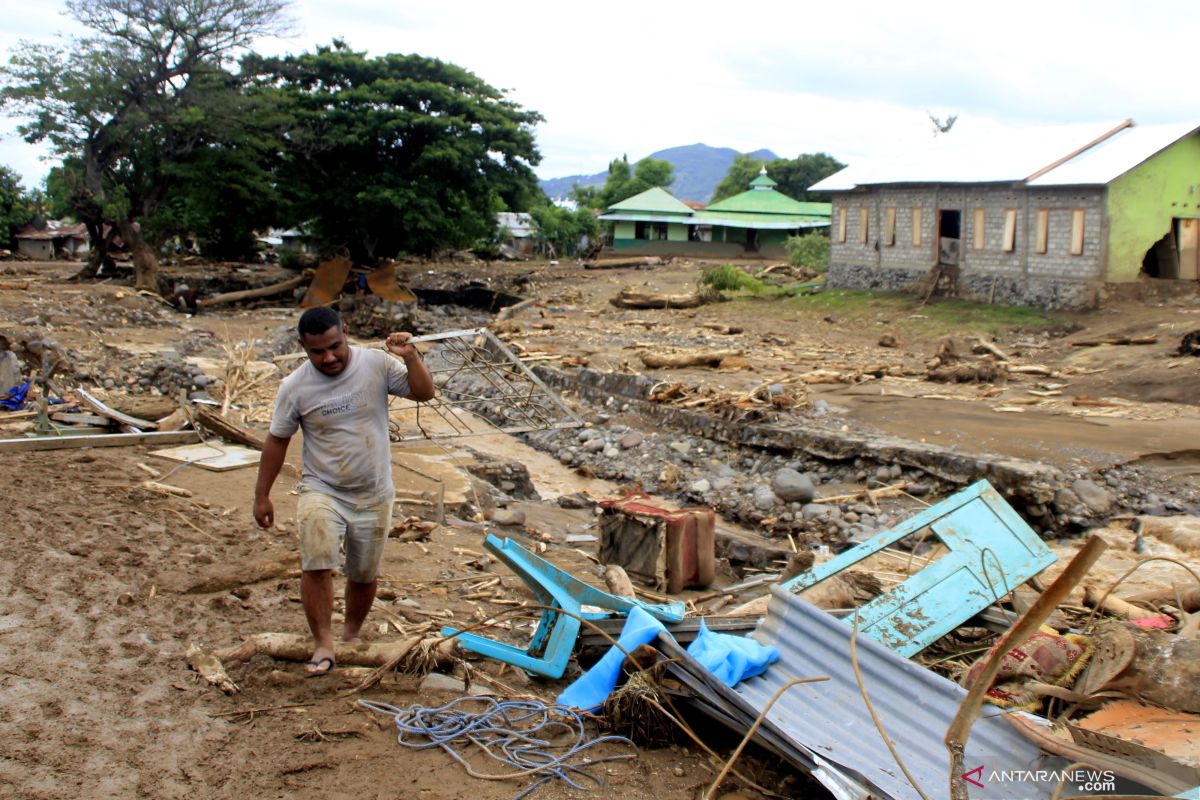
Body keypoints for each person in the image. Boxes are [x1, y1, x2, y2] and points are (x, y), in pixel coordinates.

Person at [253, 307, 435, 675]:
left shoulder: (376, 364)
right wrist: (262, 495)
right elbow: (277, 441)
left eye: (335, 347)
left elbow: (424, 392)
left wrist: (412, 357)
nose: (329, 357)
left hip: (374, 490)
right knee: (317, 563)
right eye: (317, 352)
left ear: (346, 332)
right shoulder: (295, 387)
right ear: (303, 347)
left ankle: (350, 635)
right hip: (323, 489)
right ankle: (323, 642)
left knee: (364, 573)